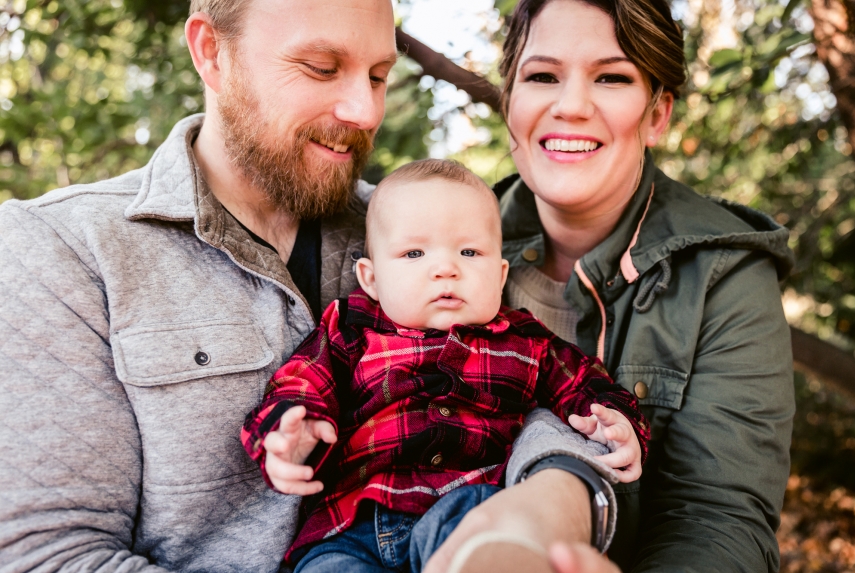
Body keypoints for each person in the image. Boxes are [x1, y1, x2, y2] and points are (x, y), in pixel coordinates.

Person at [0, 1, 622, 571]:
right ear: (212, 52)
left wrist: (553, 494)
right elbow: (48, 555)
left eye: (379, 76)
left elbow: (535, 382)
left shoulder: (424, 228)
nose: (366, 111)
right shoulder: (61, 249)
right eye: (323, 68)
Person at [426, 0, 795, 572]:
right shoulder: (428, 246)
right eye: (543, 76)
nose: (570, 105)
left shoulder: (726, 273)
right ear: (510, 103)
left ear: (657, 114)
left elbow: (716, 518)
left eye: (612, 77)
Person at [240, 159, 650, 572]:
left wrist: (617, 421)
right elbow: (299, 384)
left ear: (500, 272)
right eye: (414, 252)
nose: (446, 269)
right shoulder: (349, 329)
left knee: (496, 549)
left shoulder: (525, 339)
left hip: (470, 506)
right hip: (352, 522)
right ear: (371, 279)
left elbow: (586, 382)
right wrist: (288, 430)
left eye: (469, 252)